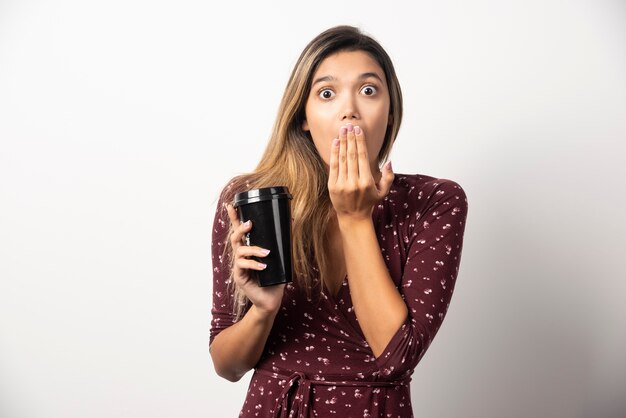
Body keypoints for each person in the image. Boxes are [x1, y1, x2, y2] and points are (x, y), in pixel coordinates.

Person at [209, 25, 468, 417]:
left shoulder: (433, 203)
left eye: (368, 90)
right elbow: (226, 365)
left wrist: (354, 217)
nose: (349, 109)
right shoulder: (254, 200)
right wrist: (262, 310)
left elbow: (397, 357)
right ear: (303, 118)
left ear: (391, 110)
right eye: (327, 94)